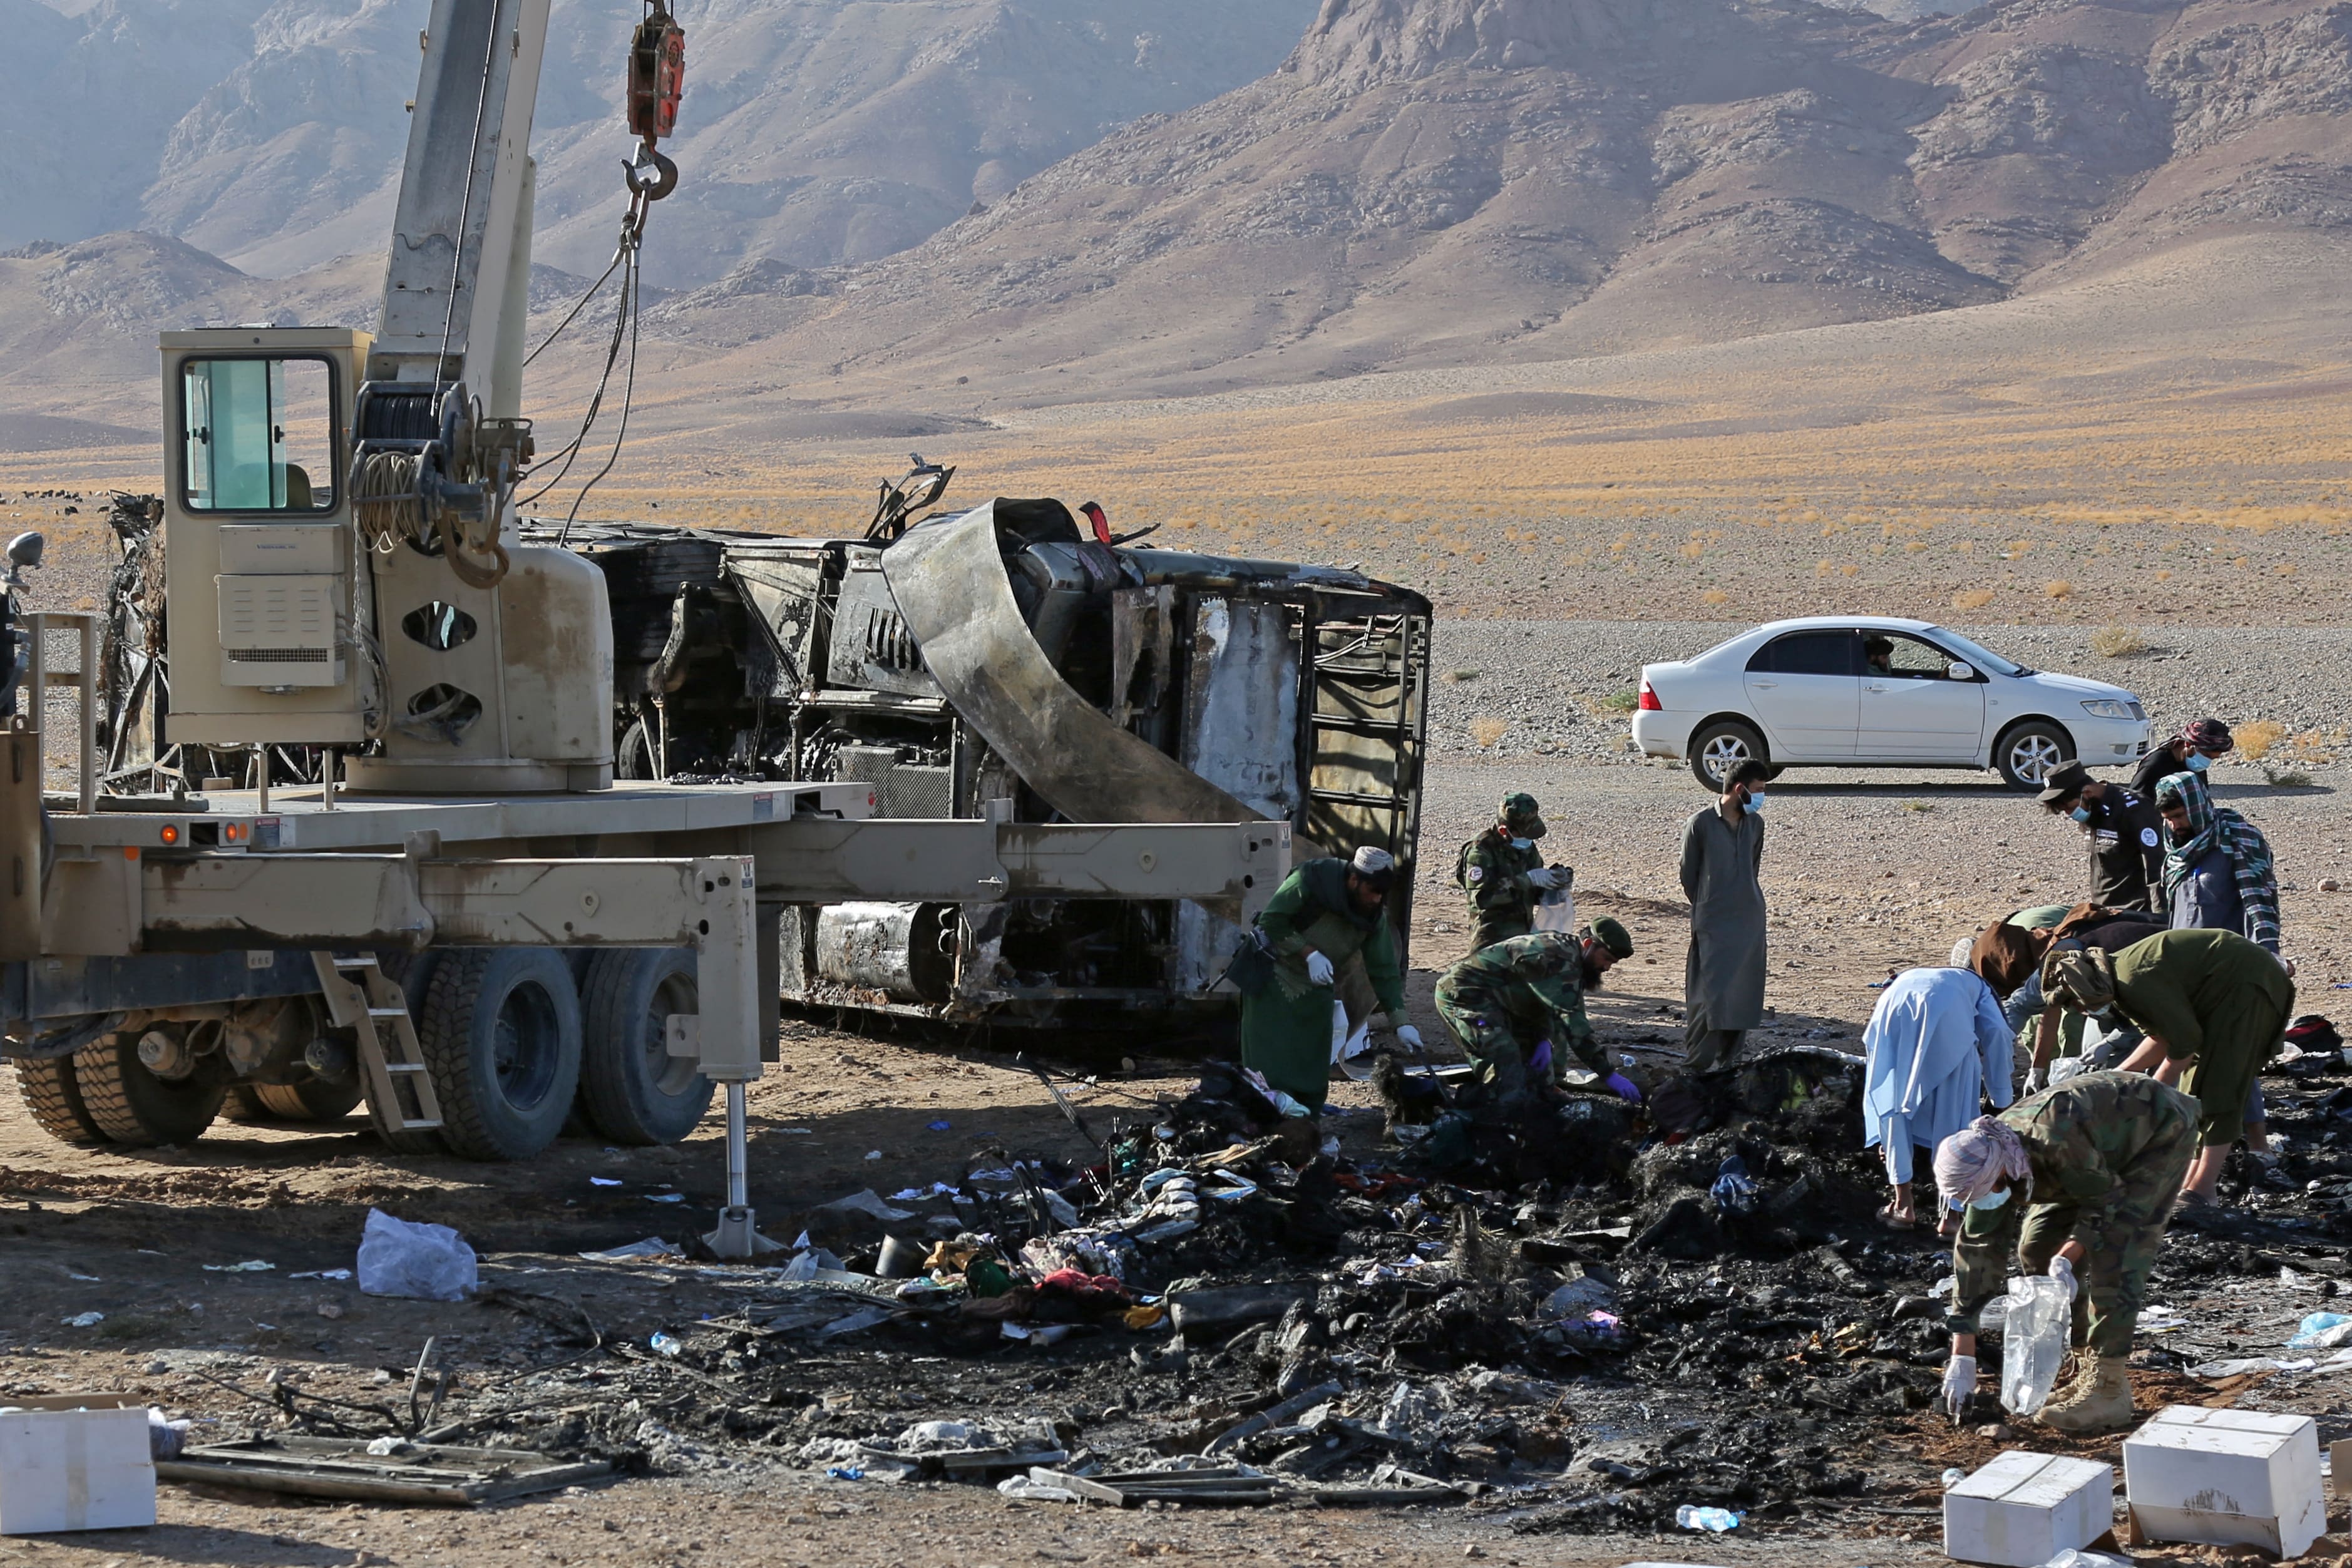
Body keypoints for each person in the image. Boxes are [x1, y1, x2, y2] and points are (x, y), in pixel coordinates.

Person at [1933, 1071, 2200, 1433]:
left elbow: (2107, 1200)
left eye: (1993, 1187)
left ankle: (2108, 1388)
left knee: (2117, 1252)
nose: (1990, 1196)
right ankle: (2084, 1362)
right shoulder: (1987, 1168)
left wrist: (2070, 1255)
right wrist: (1962, 1353)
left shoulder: (2052, 1141)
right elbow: (1977, 1252)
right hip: (2090, 1158)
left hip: (2155, 1132)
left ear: (2002, 1170)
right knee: (2038, 1246)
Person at [2041, 929, 2295, 1208]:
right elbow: (2160, 1037)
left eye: (2077, 1006)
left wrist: (2152, 1090)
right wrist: (2120, 1077)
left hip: (2248, 986)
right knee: (2193, 1097)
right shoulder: (2118, 978)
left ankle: (2203, 1190)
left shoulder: (2133, 980)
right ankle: (2189, 1183)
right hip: (2219, 996)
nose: (2081, 1012)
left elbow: (2185, 1041)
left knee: (2219, 1089)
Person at [1241, 845, 1422, 1113]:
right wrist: (1310, 953)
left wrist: (1401, 1023)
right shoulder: (1309, 881)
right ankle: (1269, 1122)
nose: (1376, 899)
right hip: (1272, 978)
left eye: (1382, 893)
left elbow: (1383, 971)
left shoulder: (1373, 918)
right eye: (1371, 890)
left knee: (1311, 1064)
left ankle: (1306, 1122)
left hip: (1315, 987)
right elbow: (1271, 922)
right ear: (1353, 879)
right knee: (1271, 1064)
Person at [1862, 961, 2014, 1229]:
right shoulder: (1979, 985)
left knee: (1894, 1106)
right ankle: (1951, 1217)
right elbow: (1998, 1032)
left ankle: (1903, 1205)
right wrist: (2001, 1098)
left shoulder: (1907, 976)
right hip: (1951, 1033)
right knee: (1953, 1120)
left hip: (1891, 1018)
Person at [1434, 920, 1636, 1110]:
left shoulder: (1574, 958)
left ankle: (1540, 1102)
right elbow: (1574, 1024)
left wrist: (1544, 1038)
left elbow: (1552, 1004)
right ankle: (1490, 1118)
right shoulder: (1557, 958)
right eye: (1607, 958)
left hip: (1504, 1001)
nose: (1607, 968)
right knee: (1505, 1063)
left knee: (1540, 1074)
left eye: (1613, 962)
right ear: (1588, 943)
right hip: (1465, 997)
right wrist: (1608, 1074)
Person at [1680, 758, 1767, 1074]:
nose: (1761, 797)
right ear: (1739, 789)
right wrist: (1711, 905)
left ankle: (1730, 1065)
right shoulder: (1701, 823)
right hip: (1713, 922)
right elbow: (1689, 876)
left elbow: (1751, 869)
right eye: (1758, 790)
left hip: (1749, 921)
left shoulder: (1755, 824)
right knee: (1710, 995)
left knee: (1743, 992)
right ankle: (1697, 1066)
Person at [2154, 770, 2281, 956]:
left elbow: (2258, 903)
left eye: (2180, 816)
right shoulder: (2176, 854)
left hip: (2227, 960)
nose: (2175, 825)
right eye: (2168, 819)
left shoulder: (2237, 841)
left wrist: (2268, 954)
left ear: (2196, 807)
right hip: (2182, 960)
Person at [2035, 760, 2164, 913]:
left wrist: (2160, 915)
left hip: (2136, 911)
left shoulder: (2136, 809)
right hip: (2105, 909)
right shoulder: (2095, 811)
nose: (2069, 815)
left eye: (2070, 808)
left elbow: (2156, 866)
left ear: (2087, 793)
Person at [1457, 792, 1568, 951]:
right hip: (1491, 941)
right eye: (1523, 834)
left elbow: (1532, 892)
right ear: (1504, 831)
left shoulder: (1526, 848)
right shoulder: (1481, 852)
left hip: (1523, 938)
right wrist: (1528, 880)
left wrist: (1554, 885)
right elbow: (1482, 898)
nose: (1528, 839)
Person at [2130, 717, 2231, 799]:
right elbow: (2134, 804)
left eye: (2212, 759)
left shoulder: (2194, 765)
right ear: (2188, 744)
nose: (2207, 762)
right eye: (2207, 756)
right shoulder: (2154, 766)